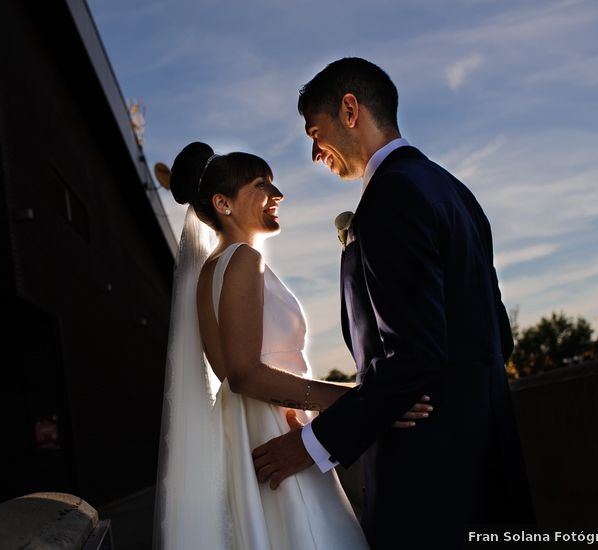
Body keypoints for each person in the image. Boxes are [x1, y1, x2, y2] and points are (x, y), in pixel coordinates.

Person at [251, 57, 535, 549]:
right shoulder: (455, 191)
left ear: (350, 109)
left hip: (430, 478)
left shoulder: (390, 196)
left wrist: (311, 444)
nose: (316, 153)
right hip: (490, 457)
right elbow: (498, 336)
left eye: (315, 133)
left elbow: (415, 356)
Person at [153, 141, 432, 549]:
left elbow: (228, 373)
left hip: (245, 430)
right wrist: (357, 400)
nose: (277, 194)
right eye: (261, 185)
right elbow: (244, 373)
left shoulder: (208, 273)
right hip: (274, 434)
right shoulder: (243, 259)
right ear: (222, 203)